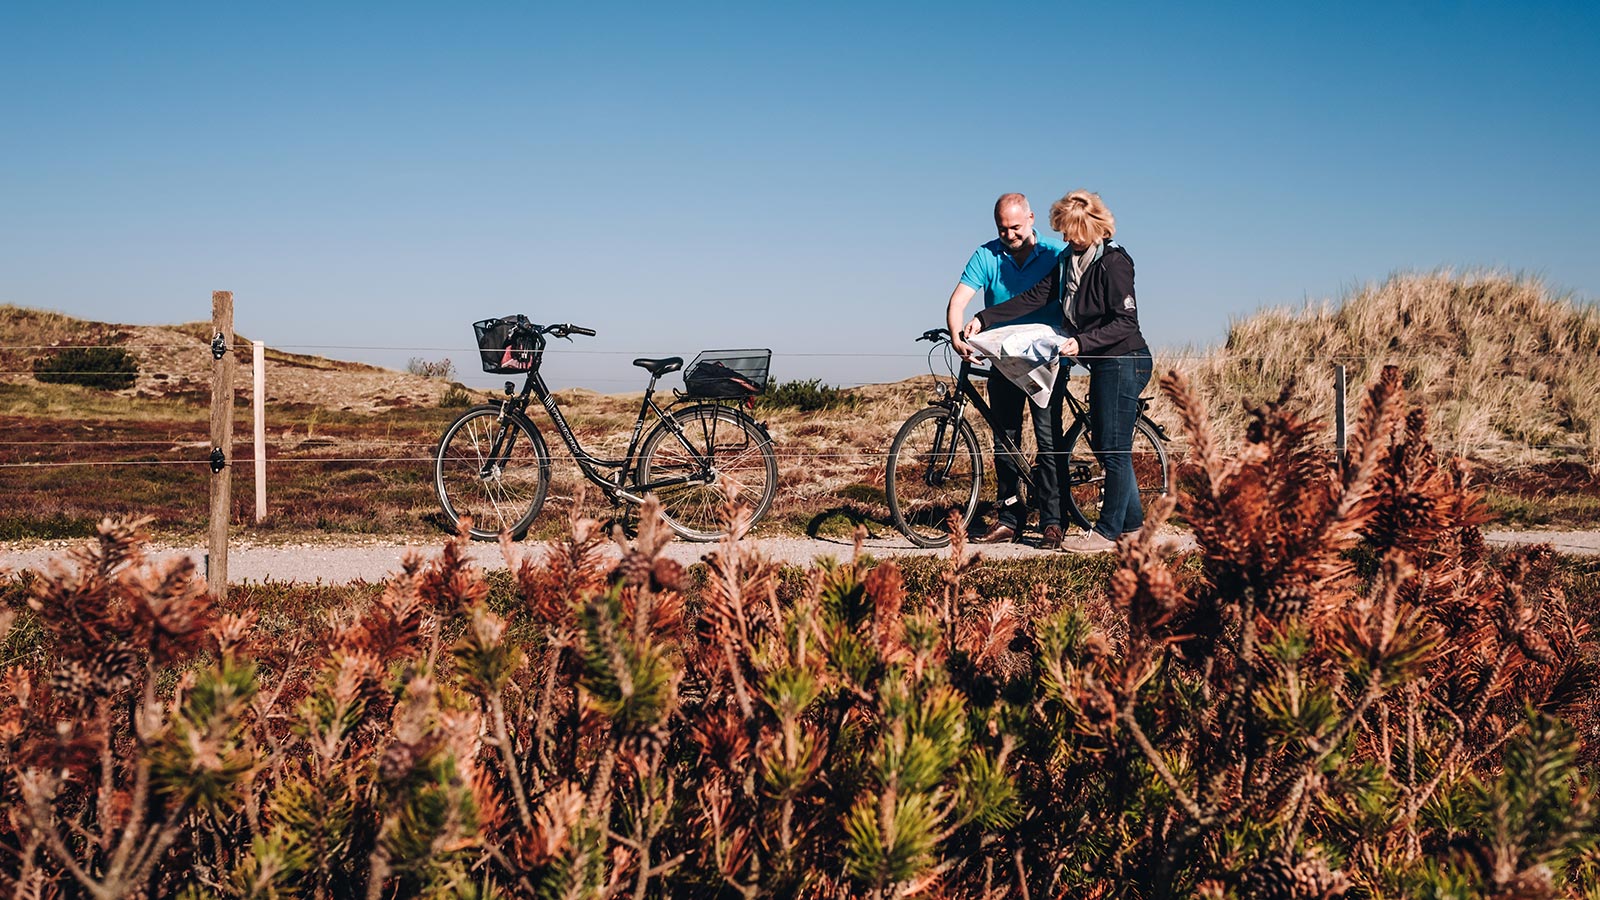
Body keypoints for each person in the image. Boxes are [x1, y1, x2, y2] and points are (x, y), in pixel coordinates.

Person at [962, 190, 1150, 553]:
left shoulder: (1114, 263)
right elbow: (1033, 297)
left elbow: (1126, 322)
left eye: (1068, 230)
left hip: (1125, 360)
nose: (1063, 237)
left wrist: (1082, 343)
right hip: (1101, 363)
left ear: (1087, 227)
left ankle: (1109, 531)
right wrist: (984, 318)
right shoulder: (1068, 261)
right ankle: (1135, 528)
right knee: (1107, 444)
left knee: (1112, 449)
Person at [946, 193, 1066, 544]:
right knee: (1005, 438)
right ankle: (1010, 517)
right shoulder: (986, 255)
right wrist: (957, 335)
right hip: (1003, 359)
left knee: (1047, 438)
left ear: (1031, 218)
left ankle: (1052, 520)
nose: (1010, 235)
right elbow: (958, 300)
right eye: (1003, 229)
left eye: (1016, 227)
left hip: (1047, 360)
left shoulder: (1055, 253)